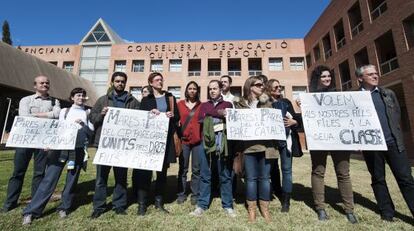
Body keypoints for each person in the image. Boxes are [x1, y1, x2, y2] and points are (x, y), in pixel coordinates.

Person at [22, 88, 94, 225]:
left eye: (83, 95)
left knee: (71, 181)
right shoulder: (64, 111)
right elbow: (57, 129)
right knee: (49, 179)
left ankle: (64, 207)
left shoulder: (87, 112)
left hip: (77, 150)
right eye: (78, 95)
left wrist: (83, 124)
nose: (81, 97)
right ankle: (32, 211)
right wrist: (50, 143)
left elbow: (90, 132)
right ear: (72, 97)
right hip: (60, 149)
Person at [356, 64, 414, 222]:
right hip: (371, 146)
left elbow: (396, 114)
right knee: (378, 178)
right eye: (370, 74)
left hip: (393, 142)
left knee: (406, 179)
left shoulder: (388, 93)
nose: (376, 76)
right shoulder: (354, 98)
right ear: (360, 78)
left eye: (376, 73)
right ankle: (387, 212)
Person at [2, 75, 61, 213]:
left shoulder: (55, 101)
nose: (45, 85)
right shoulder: (26, 100)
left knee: (39, 173)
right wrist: (47, 115)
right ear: (35, 85)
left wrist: (37, 115)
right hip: (25, 141)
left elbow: (57, 115)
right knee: (18, 172)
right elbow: (23, 116)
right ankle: (10, 203)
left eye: (47, 83)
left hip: (43, 142)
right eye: (42, 83)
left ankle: (35, 203)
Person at [308, 65, 357, 223]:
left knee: (343, 173)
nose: (327, 79)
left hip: (340, 139)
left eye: (328, 76)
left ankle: (349, 209)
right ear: (317, 79)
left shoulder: (339, 96)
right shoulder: (310, 98)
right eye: (323, 76)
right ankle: (320, 207)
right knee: (318, 172)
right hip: (320, 139)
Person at [89, 72, 140, 219]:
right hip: (105, 145)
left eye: (122, 81)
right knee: (101, 178)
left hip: (122, 146)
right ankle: (99, 206)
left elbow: (139, 120)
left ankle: (119, 205)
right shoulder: (102, 100)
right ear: (112, 82)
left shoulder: (133, 101)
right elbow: (92, 118)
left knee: (121, 176)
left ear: (125, 83)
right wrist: (101, 115)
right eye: (117, 81)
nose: (120, 83)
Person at [233, 76, 278, 222]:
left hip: (266, 147)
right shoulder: (239, 104)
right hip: (248, 148)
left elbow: (273, 120)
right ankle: (251, 209)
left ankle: (264, 208)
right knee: (251, 179)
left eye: (262, 85)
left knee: (265, 178)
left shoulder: (268, 102)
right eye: (258, 84)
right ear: (250, 86)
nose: (262, 87)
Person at [133, 72, 180, 215]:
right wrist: (149, 112)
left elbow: (177, 117)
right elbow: (141, 119)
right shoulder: (146, 100)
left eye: (161, 79)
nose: (160, 81)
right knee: (145, 173)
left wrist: (172, 115)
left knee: (161, 173)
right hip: (148, 142)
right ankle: (142, 204)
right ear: (151, 83)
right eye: (157, 80)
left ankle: (159, 203)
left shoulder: (170, 98)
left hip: (165, 141)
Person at [190, 80, 235, 217]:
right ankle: (202, 205)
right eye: (210, 89)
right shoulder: (204, 105)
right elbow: (201, 118)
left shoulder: (228, 104)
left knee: (225, 175)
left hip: (223, 144)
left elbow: (231, 118)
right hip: (207, 144)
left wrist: (214, 114)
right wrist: (219, 114)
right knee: (205, 175)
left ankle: (227, 205)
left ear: (221, 89)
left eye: (215, 88)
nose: (212, 91)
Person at [267, 79, 301, 213]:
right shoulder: (264, 103)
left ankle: (286, 201)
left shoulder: (286, 102)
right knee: (271, 169)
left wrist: (294, 122)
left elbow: (296, 118)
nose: (278, 89)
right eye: (275, 87)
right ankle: (274, 191)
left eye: (280, 86)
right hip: (271, 142)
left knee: (287, 170)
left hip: (286, 141)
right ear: (269, 88)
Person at [176, 81, 202, 205]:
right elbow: (175, 120)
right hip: (184, 141)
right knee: (183, 169)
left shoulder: (202, 105)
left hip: (198, 141)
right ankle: (181, 193)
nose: (192, 90)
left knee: (196, 170)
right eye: (190, 88)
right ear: (186, 90)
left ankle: (195, 194)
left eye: (194, 89)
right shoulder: (179, 104)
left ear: (197, 91)